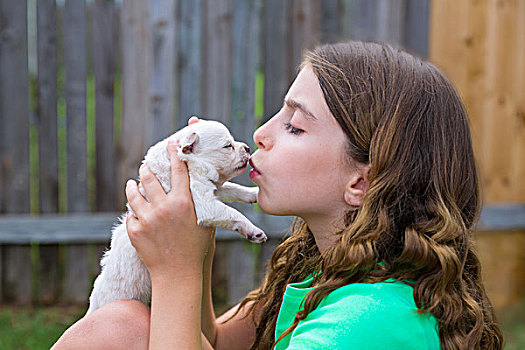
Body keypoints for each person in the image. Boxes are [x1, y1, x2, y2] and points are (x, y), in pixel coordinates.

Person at [52, 41, 504, 350]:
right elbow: (216, 341)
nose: (259, 135)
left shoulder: (369, 322)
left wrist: (176, 271)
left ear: (361, 182)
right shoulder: (323, 271)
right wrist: (196, 234)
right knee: (124, 326)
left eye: (295, 126)